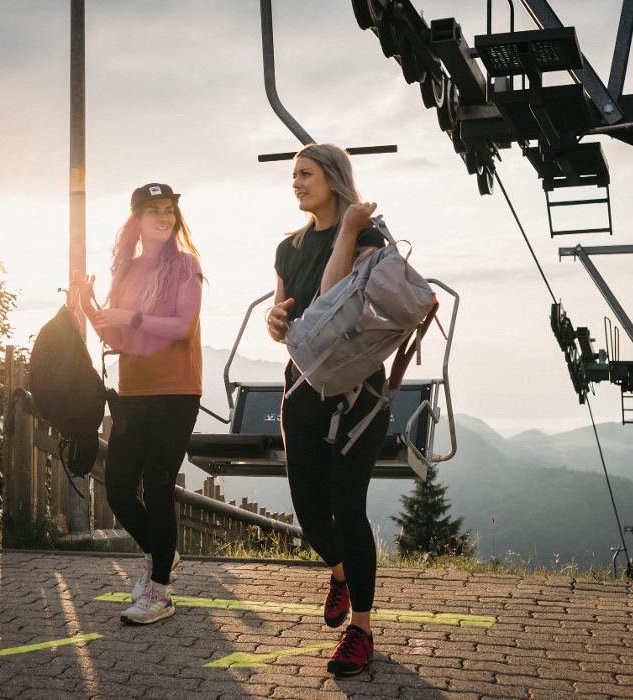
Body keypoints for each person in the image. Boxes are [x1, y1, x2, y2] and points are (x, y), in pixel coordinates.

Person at [265, 143, 389, 676]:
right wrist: (274, 319)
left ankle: (360, 628)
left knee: (347, 504)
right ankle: (339, 571)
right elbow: (290, 320)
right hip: (301, 390)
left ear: (334, 179)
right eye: (293, 175)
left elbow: (334, 300)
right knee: (310, 510)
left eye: (306, 175)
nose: (296, 183)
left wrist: (347, 227)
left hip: (357, 390)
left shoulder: (366, 237)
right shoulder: (287, 248)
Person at [70, 182, 203, 626]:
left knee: (159, 484)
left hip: (177, 390)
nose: (163, 218)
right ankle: (164, 555)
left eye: (169, 210)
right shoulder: (125, 272)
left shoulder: (186, 266)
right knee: (122, 487)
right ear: (137, 221)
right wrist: (90, 308)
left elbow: (182, 327)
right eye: (153, 211)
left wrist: (131, 316)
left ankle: (160, 591)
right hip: (133, 392)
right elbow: (118, 337)